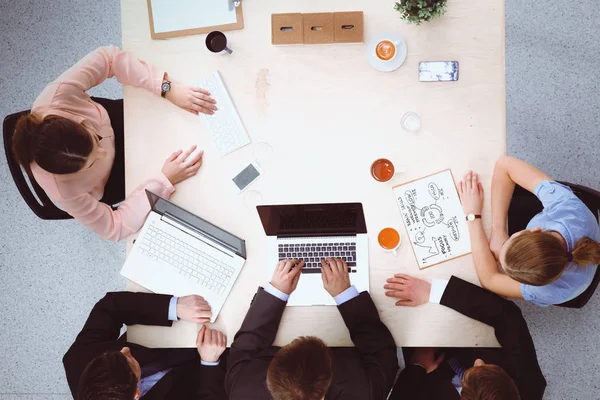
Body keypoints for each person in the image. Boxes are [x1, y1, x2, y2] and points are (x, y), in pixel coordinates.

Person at [12, 46, 217, 241]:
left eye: (95, 140)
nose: (102, 153)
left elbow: (108, 58)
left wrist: (167, 89)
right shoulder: (63, 192)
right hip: (114, 178)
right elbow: (113, 227)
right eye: (91, 163)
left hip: (116, 121)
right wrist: (163, 181)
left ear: (75, 122)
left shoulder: (57, 96)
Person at [225, 258, 399, 400]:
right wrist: (345, 295)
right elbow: (381, 350)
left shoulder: (242, 390)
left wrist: (276, 293)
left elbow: (245, 346)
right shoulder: (365, 392)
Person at [457, 156, 600, 306]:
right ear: (536, 231)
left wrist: (473, 216)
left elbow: (490, 280)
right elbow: (504, 164)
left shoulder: (549, 291)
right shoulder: (568, 208)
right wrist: (498, 229)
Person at [383, 273, 547, 400]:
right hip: (466, 329)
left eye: (473, 372)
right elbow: (508, 317)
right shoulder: (528, 385)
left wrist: (417, 366)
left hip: (425, 364)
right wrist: (435, 292)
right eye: (488, 367)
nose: (478, 361)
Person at [64, 291, 227, 399]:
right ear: (136, 393)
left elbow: (111, 307)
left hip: (179, 328)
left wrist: (173, 308)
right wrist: (209, 364)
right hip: (223, 368)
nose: (125, 349)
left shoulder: (78, 359)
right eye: (128, 358)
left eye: (118, 354)